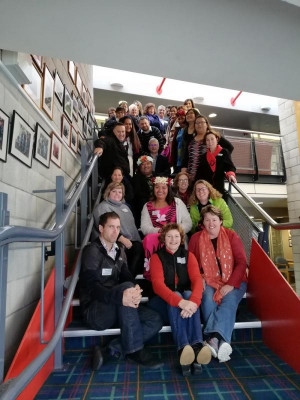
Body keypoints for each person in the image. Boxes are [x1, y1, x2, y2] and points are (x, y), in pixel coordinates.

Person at [80, 211, 163, 369]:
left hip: (118, 304)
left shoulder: (120, 250)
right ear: (101, 228)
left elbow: (126, 276)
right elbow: (91, 287)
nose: (115, 231)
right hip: (96, 310)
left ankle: (111, 350)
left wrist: (136, 288)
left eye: (118, 227)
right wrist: (120, 296)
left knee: (155, 320)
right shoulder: (92, 250)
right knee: (126, 288)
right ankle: (135, 351)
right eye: (111, 227)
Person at [149, 223, 211, 376]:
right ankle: (183, 348)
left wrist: (194, 302)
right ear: (164, 238)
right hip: (161, 301)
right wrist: (181, 302)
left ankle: (196, 346)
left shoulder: (189, 256)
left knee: (190, 294)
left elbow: (197, 280)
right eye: (169, 236)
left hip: (185, 301)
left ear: (181, 238)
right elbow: (157, 285)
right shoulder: (156, 257)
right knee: (178, 296)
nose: (173, 239)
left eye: (176, 236)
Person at [189, 205, 247, 362]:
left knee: (229, 300)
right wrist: (198, 276)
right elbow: (191, 263)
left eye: (214, 219)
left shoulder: (231, 236)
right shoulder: (195, 239)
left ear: (221, 221)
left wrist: (231, 284)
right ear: (202, 223)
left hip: (234, 280)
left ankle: (212, 339)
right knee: (207, 298)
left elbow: (242, 263)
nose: (211, 223)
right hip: (208, 280)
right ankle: (222, 342)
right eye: (207, 220)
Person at [141, 176, 192, 280]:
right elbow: (144, 227)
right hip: (157, 236)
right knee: (149, 239)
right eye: (157, 187)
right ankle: (153, 272)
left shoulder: (177, 202)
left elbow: (188, 223)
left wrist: (174, 230)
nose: (160, 190)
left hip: (175, 236)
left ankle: (173, 272)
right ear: (153, 189)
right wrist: (159, 230)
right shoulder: (147, 206)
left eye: (163, 187)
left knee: (171, 237)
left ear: (168, 189)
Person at [92, 183, 143, 277]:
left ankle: (130, 278)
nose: (117, 194)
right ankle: (126, 280)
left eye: (120, 192)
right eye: (114, 191)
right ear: (108, 192)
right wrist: (122, 239)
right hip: (114, 240)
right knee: (123, 251)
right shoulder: (103, 207)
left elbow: (132, 228)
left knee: (139, 248)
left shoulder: (126, 207)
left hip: (131, 241)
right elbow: (104, 227)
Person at [181, 115, 234, 181]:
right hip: (191, 177)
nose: (199, 124)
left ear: (207, 124)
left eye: (202, 122)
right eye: (197, 123)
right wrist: (183, 174)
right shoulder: (190, 139)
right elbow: (185, 159)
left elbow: (229, 147)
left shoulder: (212, 137)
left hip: (208, 179)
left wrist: (218, 162)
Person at [195, 130, 237, 195]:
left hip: (218, 189)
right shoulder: (203, 156)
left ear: (217, 139)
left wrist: (231, 175)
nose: (210, 142)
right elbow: (199, 174)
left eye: (212, 139)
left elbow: (230, 166)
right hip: (205, 190)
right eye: (207, 140)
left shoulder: (224, 152)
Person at [132, 155, 155, 226]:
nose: (146, 166)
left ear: (151, 165)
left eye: (148, 163)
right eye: (143, 164)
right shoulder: (136, 178)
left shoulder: (158, 176)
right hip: (143, 206)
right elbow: (138, 193)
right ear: (139, 167)